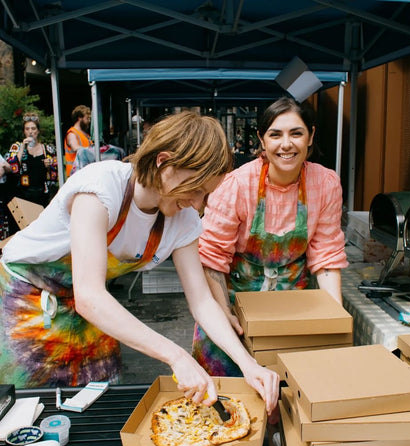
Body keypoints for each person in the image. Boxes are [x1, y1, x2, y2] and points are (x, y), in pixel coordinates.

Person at [0, 111, 278, 416]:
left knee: (98, 405)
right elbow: (90, 296)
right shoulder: (100, 188)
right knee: (30, 410)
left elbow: (201, 301)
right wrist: (176, 356)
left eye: (206, 194)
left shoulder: (183, 219)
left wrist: (247, 364)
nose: (199, 204)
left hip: (87, 309)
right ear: (164, 163)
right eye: (196, 189)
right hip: (28, 299)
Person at [193, 97, 348, 446]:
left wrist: (333, 326)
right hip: (231, 308)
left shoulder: (325, 183)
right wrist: (225, 315)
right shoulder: (237, 184)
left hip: (292, 314)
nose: (286, 144)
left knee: (291, 409)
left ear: (311, 136)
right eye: (275, 134)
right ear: (261, 140)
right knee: (225, 409)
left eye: (296, 133)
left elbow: (326, 258)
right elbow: (212, 259)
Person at [5, 113, 58, 207]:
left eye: (33, 129)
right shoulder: (16, 147)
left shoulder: (47, 149)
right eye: (27, 129)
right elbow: (12, 168)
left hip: (42, 196)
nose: (30, 132)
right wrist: (22, 147)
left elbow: (54, 177)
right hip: (22, 196)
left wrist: (49, 166)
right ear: (24, 132)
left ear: (38, 131)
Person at [64, 105, 93, 178]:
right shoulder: (72, 133)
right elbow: (76, 147)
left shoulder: (86, 135)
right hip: (75, 174)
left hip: (84, 172)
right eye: (87, 118)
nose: (89, 121)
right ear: (80, 118)